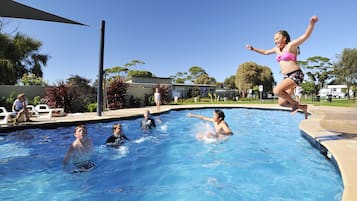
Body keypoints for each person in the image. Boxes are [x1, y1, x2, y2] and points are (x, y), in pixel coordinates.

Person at [246, 16, 318, 119]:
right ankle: (303, 107)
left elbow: (305, 36)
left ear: (284, 38)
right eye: (274, 39)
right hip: (287, 77)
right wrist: (253, 49)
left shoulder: (290, 46)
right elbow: (265, 52)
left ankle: (294, 104)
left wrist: (312, 23)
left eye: (277, 38)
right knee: (282, 103)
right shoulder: (276, 49)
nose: (275, 41)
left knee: (276, 90)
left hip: (296, 74)